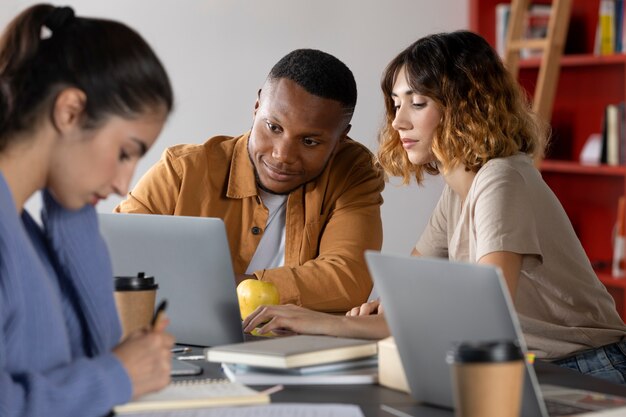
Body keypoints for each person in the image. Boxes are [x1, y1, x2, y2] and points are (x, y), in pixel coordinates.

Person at [243, 30, 626, 384]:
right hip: (528, 366)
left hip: (586, 367)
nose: (398, 121)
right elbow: (405, 302)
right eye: (395, 104)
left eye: (418, 103)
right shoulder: (459, 191)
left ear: (467, 106)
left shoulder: (501, 180)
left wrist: (327, 324)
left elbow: (482, 319)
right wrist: (365, 313)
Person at [0, 5, 175, 416]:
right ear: (70, 111)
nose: (124, 185)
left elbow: (92, 357)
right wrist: (118, 375)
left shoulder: (27, 227)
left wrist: (72, 218)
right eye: (125, 152)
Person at [115, 49, 385, 312]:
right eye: (273, 127)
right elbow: (112, 256)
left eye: (309, 141)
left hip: (290, 352)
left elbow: (348, 278)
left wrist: (229, 289)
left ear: (341, 138)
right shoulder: (181, 171)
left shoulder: (353, 171)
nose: (282, 155)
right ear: (257, 107)